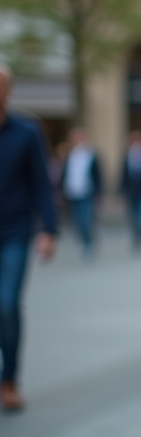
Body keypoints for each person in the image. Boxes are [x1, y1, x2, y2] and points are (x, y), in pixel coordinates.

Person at [0, 64, 57, 412]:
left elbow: (41, 183)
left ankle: (10, 379)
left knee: (7, 304)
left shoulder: (27, 131)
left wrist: (49, 230)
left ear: (8, 91)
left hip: (16, 231)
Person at [61, 128, 104, 259]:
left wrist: (99, 193)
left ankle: (88, 242)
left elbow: (98, 175)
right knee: (77, 221)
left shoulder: (91, 154)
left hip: (87, 192)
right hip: (73, 192)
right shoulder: (70, 154)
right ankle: (83, 242)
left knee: (86, 220)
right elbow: (66, 173)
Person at [120, 130, 141, 249]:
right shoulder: (128, 155)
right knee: (132, 216)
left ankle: (140, 235)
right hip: (131, 191)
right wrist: (122, 190)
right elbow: (124, 174)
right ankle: (136, 235)